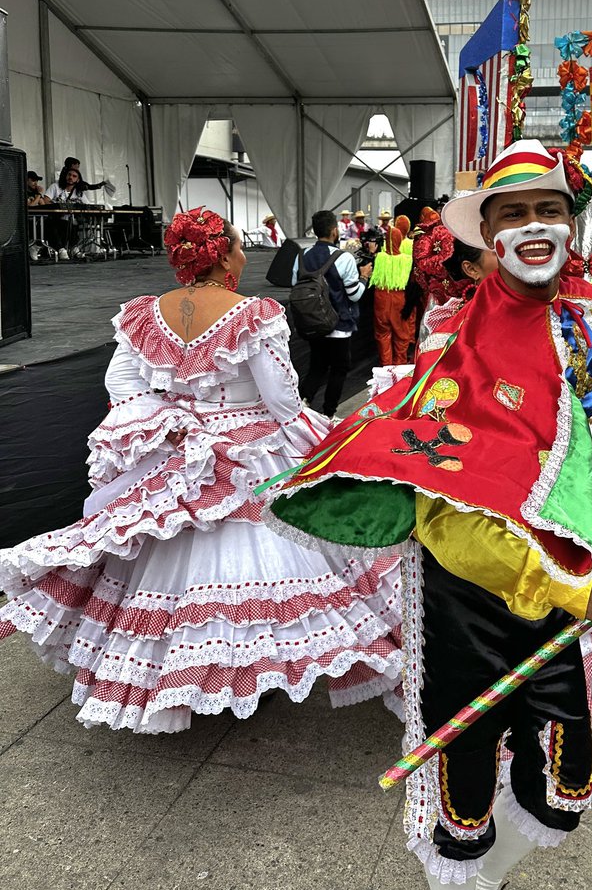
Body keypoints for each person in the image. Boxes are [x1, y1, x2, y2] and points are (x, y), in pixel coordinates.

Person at [263, 140, 592, 890]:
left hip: (558, 584)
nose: (535, 225)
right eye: (514, 212)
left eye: (550, 209)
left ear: (571, 227)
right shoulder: (460, 353)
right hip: (471, 595)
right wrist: (570, 584)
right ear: (489, 237)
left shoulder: (574, 315)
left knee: (563, 783)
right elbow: (448, 519)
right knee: (460, 791)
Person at [0, 206, 403, 732]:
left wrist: (171, 418)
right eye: (237, 246)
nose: (242, 253)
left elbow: (121, 385)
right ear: (223, 253)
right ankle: (243, 675)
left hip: (179, 450)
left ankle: (186, 678)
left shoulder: (146, 313)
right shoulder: (253, 313)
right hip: (249, 451)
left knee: (166, 566)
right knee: (269, 565)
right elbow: (281, 402)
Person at [292, 209, 372, 419]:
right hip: (338, 325)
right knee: (339, 368)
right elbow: (354, 296)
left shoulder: (302, 255)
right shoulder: (343, 257)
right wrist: (364, 277)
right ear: (335, 231)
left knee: (317, 366)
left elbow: (295, 285)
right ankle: (328, 414)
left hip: (311, 323)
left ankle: (303, 405)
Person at [372, 215, 416, 365]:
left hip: (380, 298)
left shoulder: (379, 257)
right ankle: (399, 369)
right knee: (401, 336)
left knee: (382, 334)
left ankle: (386, 367)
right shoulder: (406, 260)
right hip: (399, 299)